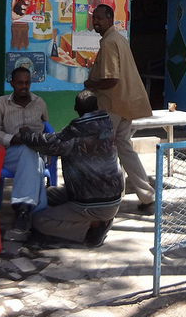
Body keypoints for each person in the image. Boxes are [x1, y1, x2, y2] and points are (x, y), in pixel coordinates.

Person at [16, 90, 123, 248]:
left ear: (75, 108)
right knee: (48, 194)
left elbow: (47, 143)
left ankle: (93, 227)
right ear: (97, 107)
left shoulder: (73, 135)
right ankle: (95, 220)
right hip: (108, 195)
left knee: (39, 220)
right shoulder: (107, 125)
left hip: (92, 202)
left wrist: (26, 134)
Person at [84, 4, 155, 214]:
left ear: (109, 18)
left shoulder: (109, 42)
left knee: (102, 150)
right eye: (93, 17)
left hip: (113, 106)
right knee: (124, 148)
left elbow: (111, 78)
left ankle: (104, 197)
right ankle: (146, 194)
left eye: (99, 18)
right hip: (126, 105)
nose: (95, 21)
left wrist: (91, 85)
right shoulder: (119, 39)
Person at [0, 66, 48, 241]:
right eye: (19, 83)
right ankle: (32, 209)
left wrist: (34, 138)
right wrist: (12, 139)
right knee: (30, 154)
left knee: (32, 153)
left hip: (35, 151)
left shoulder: (40, 103)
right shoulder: (2, 103)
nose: (24, 87)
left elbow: (46, 128)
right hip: (10, 153)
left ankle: (23, 209)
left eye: (27, 83)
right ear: (11, 83)